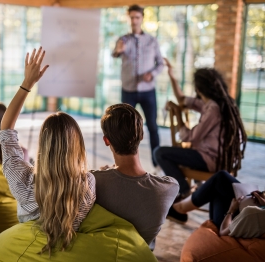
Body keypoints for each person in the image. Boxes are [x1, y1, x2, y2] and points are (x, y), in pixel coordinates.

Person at [0, 47, 96, 254]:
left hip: (26, 250)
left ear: (43, 145)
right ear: (77, 146)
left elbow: (6, 130)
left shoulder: (22, 180)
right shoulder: (87, 182)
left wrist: (27, 84)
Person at [154, 58, 247, 198]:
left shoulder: (213, 109)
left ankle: (184, 191)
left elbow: (189, 137)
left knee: (160, 153)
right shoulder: (218, 103)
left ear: (198, 89)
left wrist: (179, 118)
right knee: (175, 152)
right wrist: (171, 76)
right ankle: (195, 189)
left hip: (211, 160)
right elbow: (182, 99)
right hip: (217, 157)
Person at [92, 103, 179, 250]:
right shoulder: (169, 188)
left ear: (106, 140)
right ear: (142, 135)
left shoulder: (93, 182)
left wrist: (104, 173)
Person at [112, 4, 164, 167]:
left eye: (137, 17)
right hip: (128, 90)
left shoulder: (152, 41)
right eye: (132, 17)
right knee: (125, 127)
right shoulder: (122, 40)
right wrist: (118, 50)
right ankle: (125, 163)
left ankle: (157, 163)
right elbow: (114, 54)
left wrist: (152, 74)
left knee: (153, 127)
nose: (134, 21)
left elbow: (161, 64)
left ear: (142, 19)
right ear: (128, 18)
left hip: (148, 91)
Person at [167, 170, 265, 238]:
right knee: (219, 184)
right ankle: (180, 207)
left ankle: (179, 208)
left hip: (230, 220)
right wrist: (262, 202)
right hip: (250, 210)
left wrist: (231, 210)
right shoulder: (255, 213)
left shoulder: (251, 214)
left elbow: (224, 232)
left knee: (220, 180)